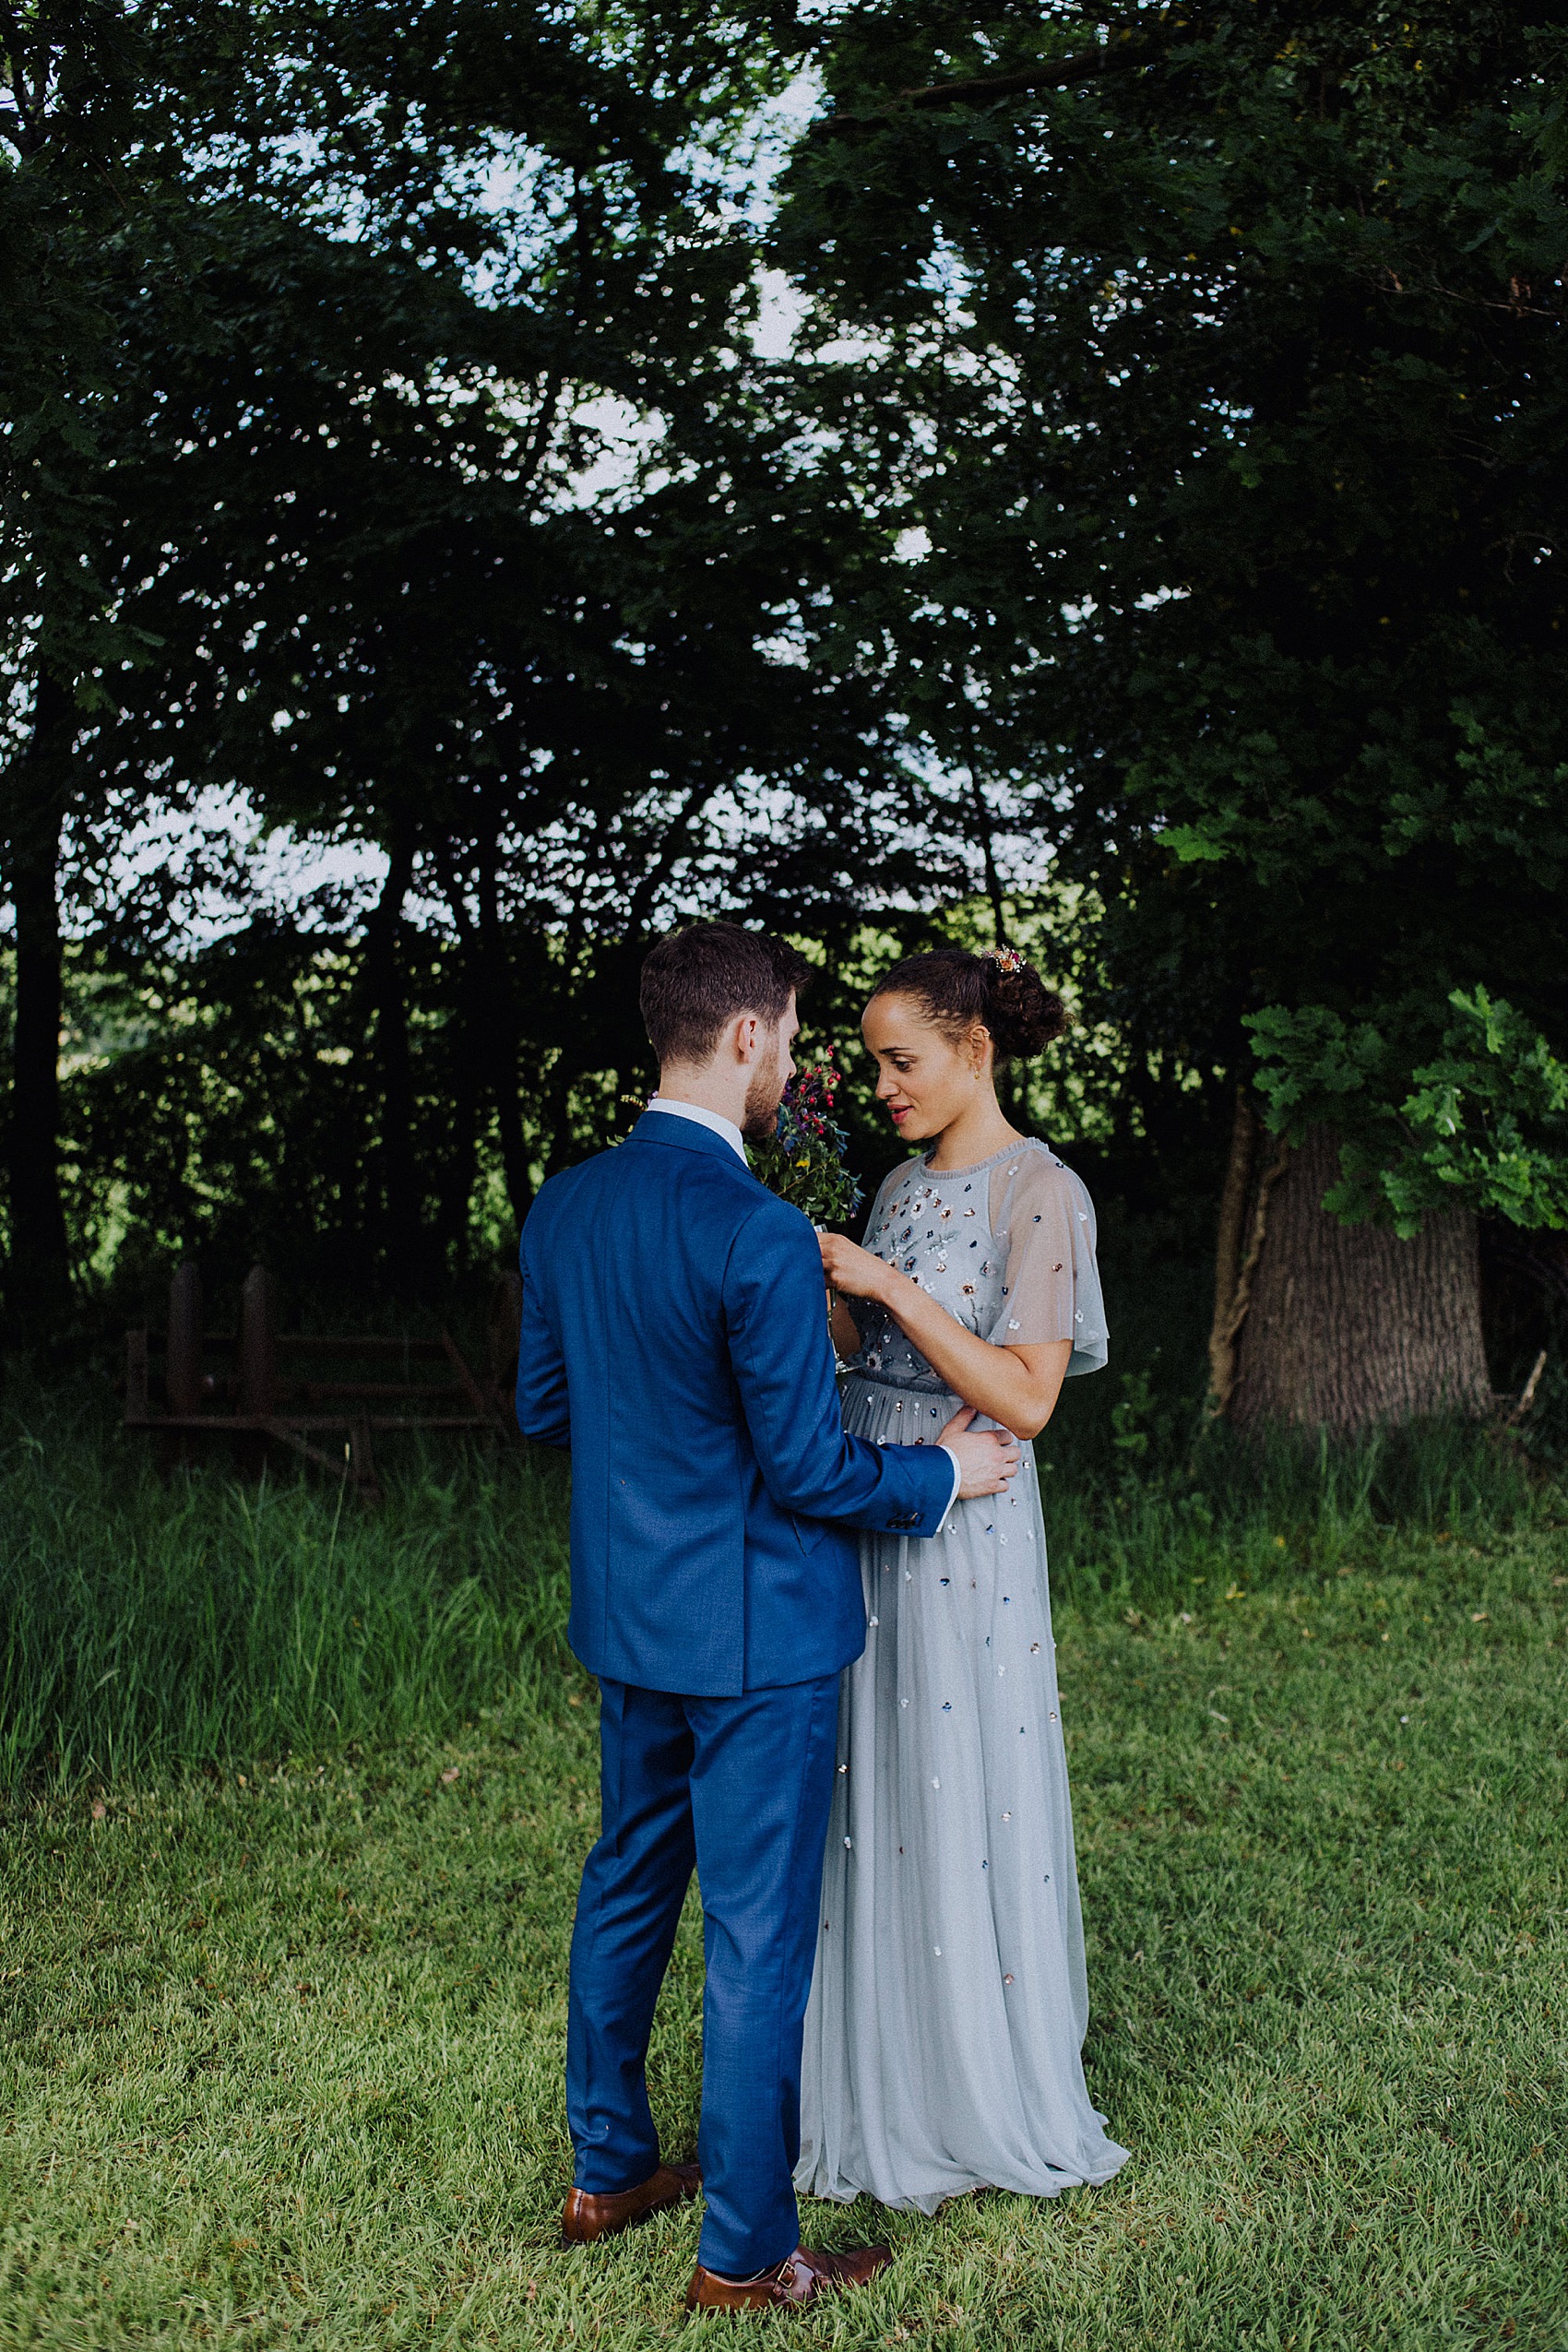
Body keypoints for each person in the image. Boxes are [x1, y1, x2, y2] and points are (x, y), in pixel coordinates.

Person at [515, 921, 1022, 2314]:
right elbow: (810, 1467)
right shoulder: (754, 1232)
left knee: (626, 1879)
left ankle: (607, 2168)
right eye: (793, 1037)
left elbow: (546, 1408)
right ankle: (743, 2249)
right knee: (752, 1935)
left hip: (629, 1621)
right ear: (746, 1036)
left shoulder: (563, 1203)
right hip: (761, 1644)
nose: (794, 1060)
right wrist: (943, 1472)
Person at [795, 944, 1130, 2214]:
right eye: (875, 1061)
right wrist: (820, 1280)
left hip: (969, 1509)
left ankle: (971, 2086)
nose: (884, 1082)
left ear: (974, 1047)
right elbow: (864, 1349)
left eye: (904, 1059)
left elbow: (1028, 1397)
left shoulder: (1039, 1192)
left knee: (952, 1774)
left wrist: (885, 1282)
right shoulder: (889, 1182)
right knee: (865, 1773)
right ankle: (878, 2071)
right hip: (875, 1499)